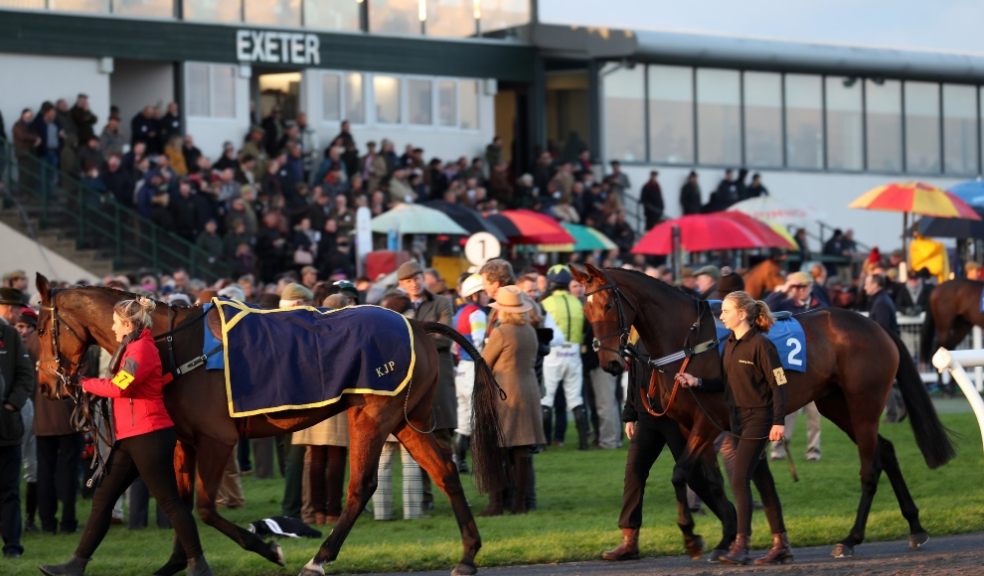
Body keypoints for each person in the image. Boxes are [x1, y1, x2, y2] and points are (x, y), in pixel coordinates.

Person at [40, 298, 211, 576]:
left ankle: (198, 564)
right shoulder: (132, 346)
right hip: (133, 436)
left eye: (116, 322)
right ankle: (76, 565)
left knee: (169, 502)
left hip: (149, 436)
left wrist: (84, 384)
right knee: (103, 499)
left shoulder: (141, 349)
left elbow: (121, 386)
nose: (112, 326)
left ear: (128, 324)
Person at [676, 291, 793, 565]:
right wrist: (697, 382)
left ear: (742, 314)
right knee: (762, 479)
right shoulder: (729, 344)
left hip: (759, 420)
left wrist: (778, 422)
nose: (722, 315)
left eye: (726, 310)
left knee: (739, 479)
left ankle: (741, 544)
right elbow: (725, 385)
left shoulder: (762, 346)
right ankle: (781, 544)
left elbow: (779, 385)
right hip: (737, 420)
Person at [481, 286, 545, 515]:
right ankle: (520, 503)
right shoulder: (529, 330)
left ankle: (497, 503)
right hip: (529, 389)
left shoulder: (502, 332)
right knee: (522, 451)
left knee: (498, 450)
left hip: (505, 392)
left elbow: (484, 362)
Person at [0, 289, 34, 559]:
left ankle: (13, 546)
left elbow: (25, 377)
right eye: (12, 308)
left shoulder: (10, 336)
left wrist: (12, 404)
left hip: (6, 427)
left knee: (9, 489)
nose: (15, 314)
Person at [540, 265, 589, 450]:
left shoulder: (546, 303)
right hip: (574, 352)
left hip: (553, 353)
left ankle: (544, 443)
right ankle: (583, 443)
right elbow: (585, 327)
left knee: (547, 397)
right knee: (575, 398)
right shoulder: (577, 302)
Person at [452, 274, 488, 474]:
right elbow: (479, 343)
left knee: (464, 420)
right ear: (475, 295)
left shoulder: (459, 313)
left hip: (461, 370)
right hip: (474, 368)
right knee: (479, 418)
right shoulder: (478, 314)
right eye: (483, 292)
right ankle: (481, 463)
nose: (486, 295)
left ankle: (459, 461)